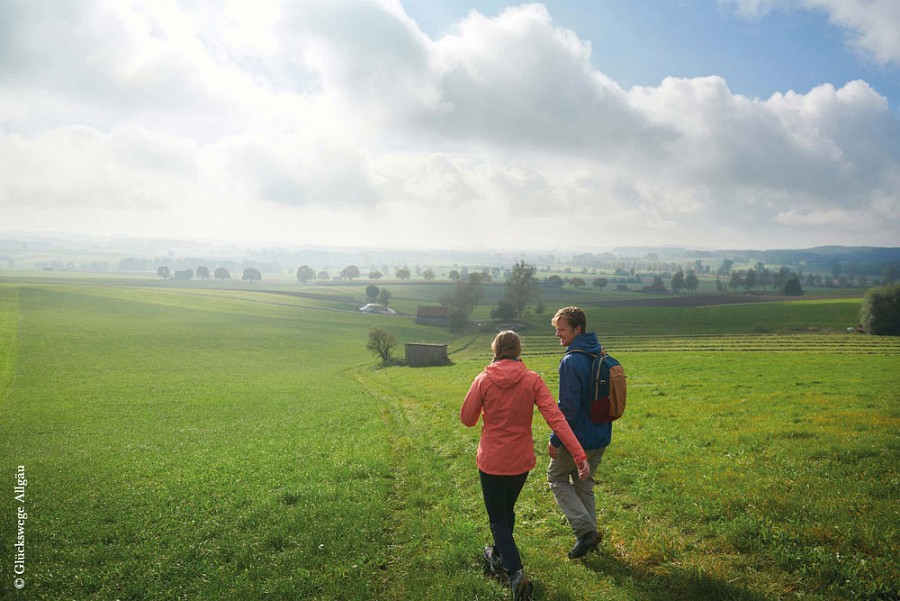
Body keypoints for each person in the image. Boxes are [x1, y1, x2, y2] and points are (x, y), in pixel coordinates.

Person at [461, 330, 590, 601]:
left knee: (498, 518)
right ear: (519, 351)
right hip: (520, 462)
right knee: (506, 511)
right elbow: (556, 419)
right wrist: (579, 454)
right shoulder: (532, 380)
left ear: (495, 349)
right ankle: (497, 555)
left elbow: (467, 419)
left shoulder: (483, 380)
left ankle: (516, 574)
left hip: (492, 461)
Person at [547, 306, 612, 559]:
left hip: (578, 438)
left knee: (556, 478)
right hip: (601, 434)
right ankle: (591, 539)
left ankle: (585, 532)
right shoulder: (600, 352)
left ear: (578, 329)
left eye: (562, 330)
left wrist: (555, 437)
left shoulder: (571, 360)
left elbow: (568, 409)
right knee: (584, 486)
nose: (558, 335)